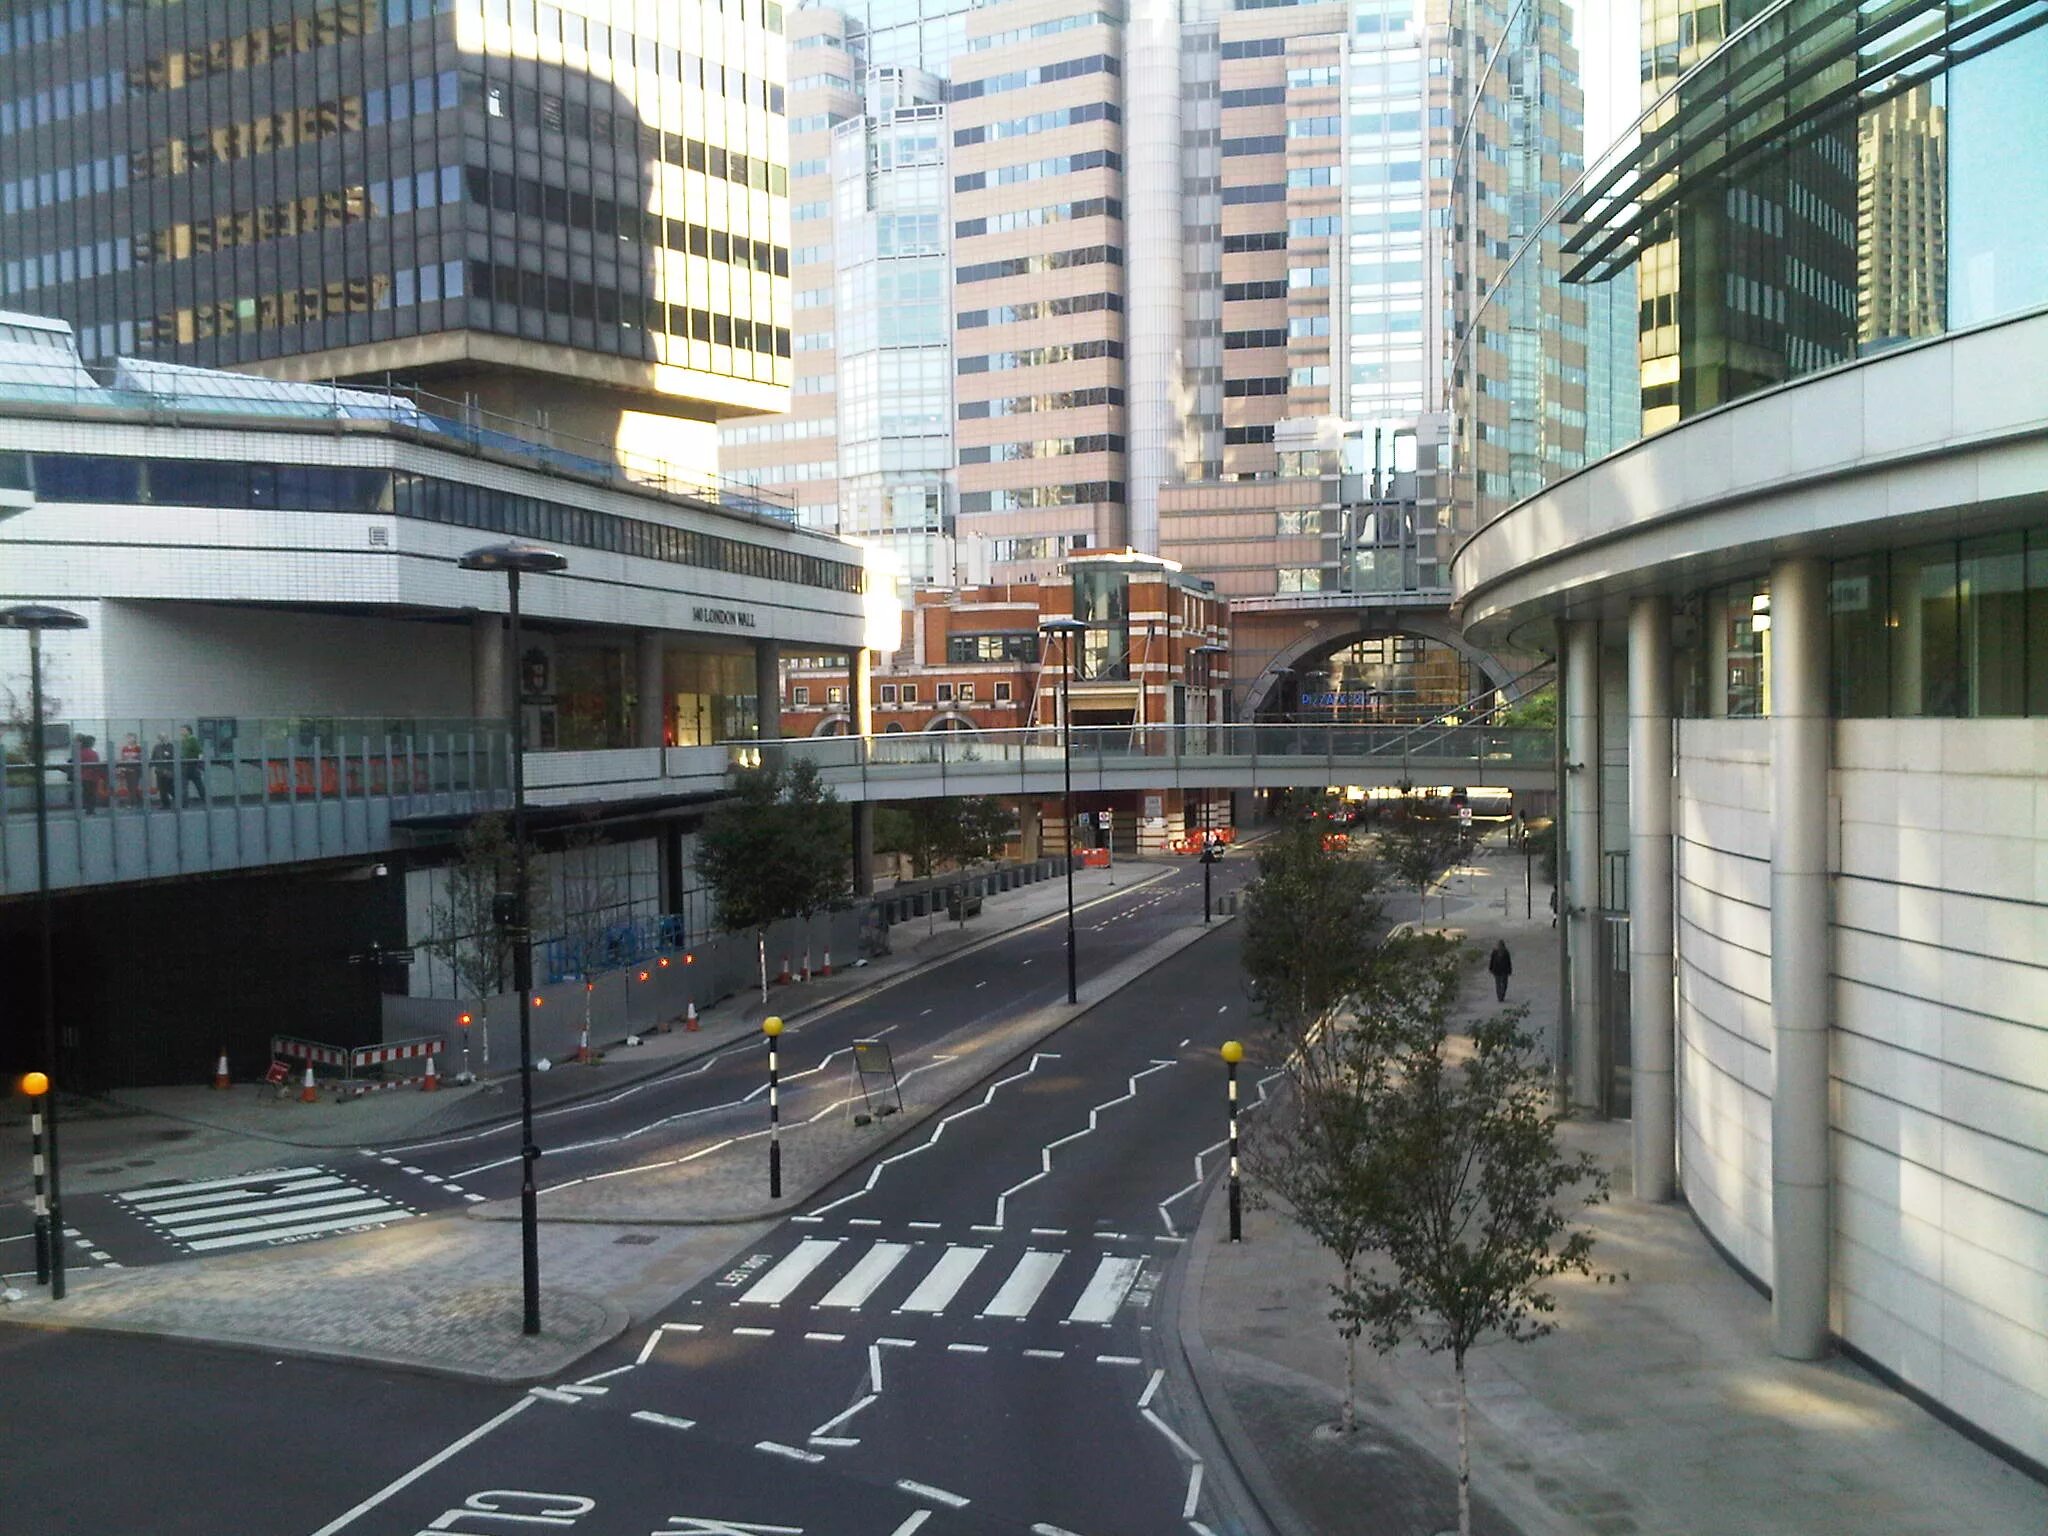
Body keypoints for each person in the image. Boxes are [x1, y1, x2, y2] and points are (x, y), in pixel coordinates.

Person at [75, 734, 106, 814]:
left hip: (84, 777)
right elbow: (97, 765)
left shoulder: (80, 753)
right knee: (92, 794)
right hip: (94, 777)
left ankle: (86, 808)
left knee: (86, 793)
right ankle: (91, 809)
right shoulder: (94, 753)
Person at [179, 725, 206, 805]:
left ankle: (205, 800)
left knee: (199, 784)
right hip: (185, 765)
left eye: (183, 730)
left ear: (188, 731)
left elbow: (200, 752)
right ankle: (185, 803)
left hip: (193, 765)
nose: (181, 732)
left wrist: (199, 763)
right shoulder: (183, 741)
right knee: (184, 785)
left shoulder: (193, 739)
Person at [149, 732, 176, 808]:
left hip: (169, 770)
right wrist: (150, 766)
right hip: (159, 770)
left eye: (164, 737)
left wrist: (169, 769)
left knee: (170, 788)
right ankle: (165, 804)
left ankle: (179, 801)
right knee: (162, 789)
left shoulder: (171, 747)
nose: (162, 739)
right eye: (160, 737)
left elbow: (174, 758)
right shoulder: (156, 747)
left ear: (167, 738)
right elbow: (153, 758)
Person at [116, 732, 143, 806]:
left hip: (135, 769)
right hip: (127, 769)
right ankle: (138, 800)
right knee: (130, 786)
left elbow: (141, 758)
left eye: (131, 737)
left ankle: (132, 802)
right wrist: (121, 768)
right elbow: (123, 759)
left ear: (135, 739)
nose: (129, 739)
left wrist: (134, 759)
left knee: (133, 786)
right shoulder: (125, 748)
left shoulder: (138, 747)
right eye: (128, 737)